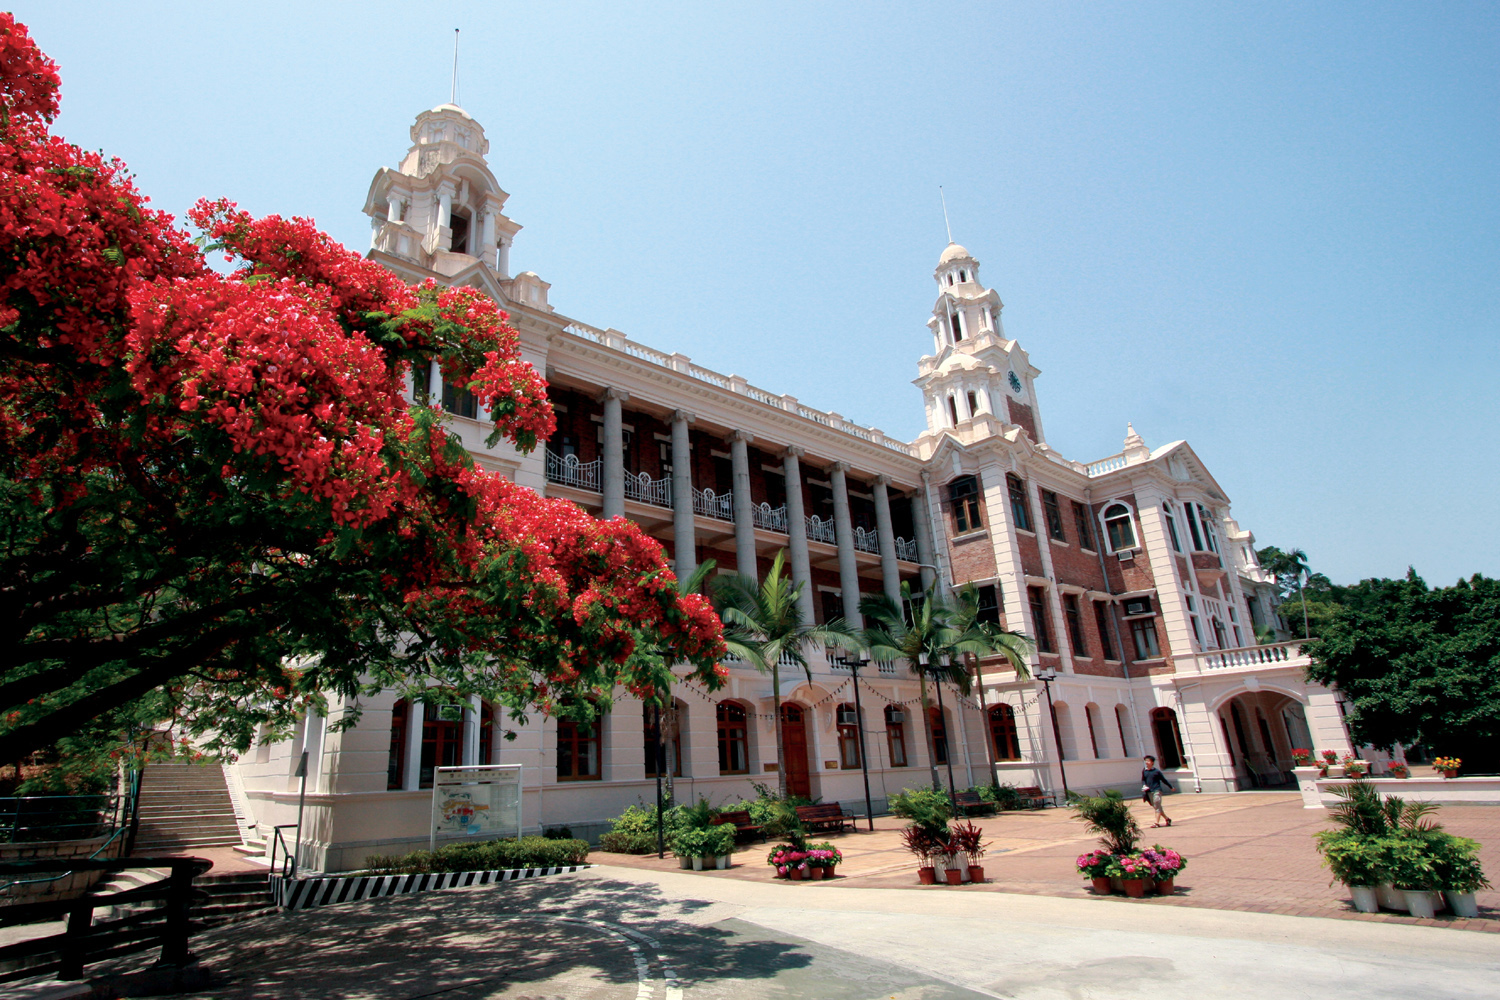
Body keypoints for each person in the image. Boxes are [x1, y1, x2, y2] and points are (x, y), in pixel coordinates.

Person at [1141, 755, 1174, 828]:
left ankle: (1156, 823)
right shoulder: (1144, 771)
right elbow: (1143, 779)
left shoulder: (1156, 771)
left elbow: (1163, 780)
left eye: (1148, 761)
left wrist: (1171, 787)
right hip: (1149, 791)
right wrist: (1144, 785)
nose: (1146, 762)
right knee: (1156, 807)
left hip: (1157, 790)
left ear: (1152, 762)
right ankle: (1167, 819)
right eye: (1146, 761)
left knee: (1157, 805)